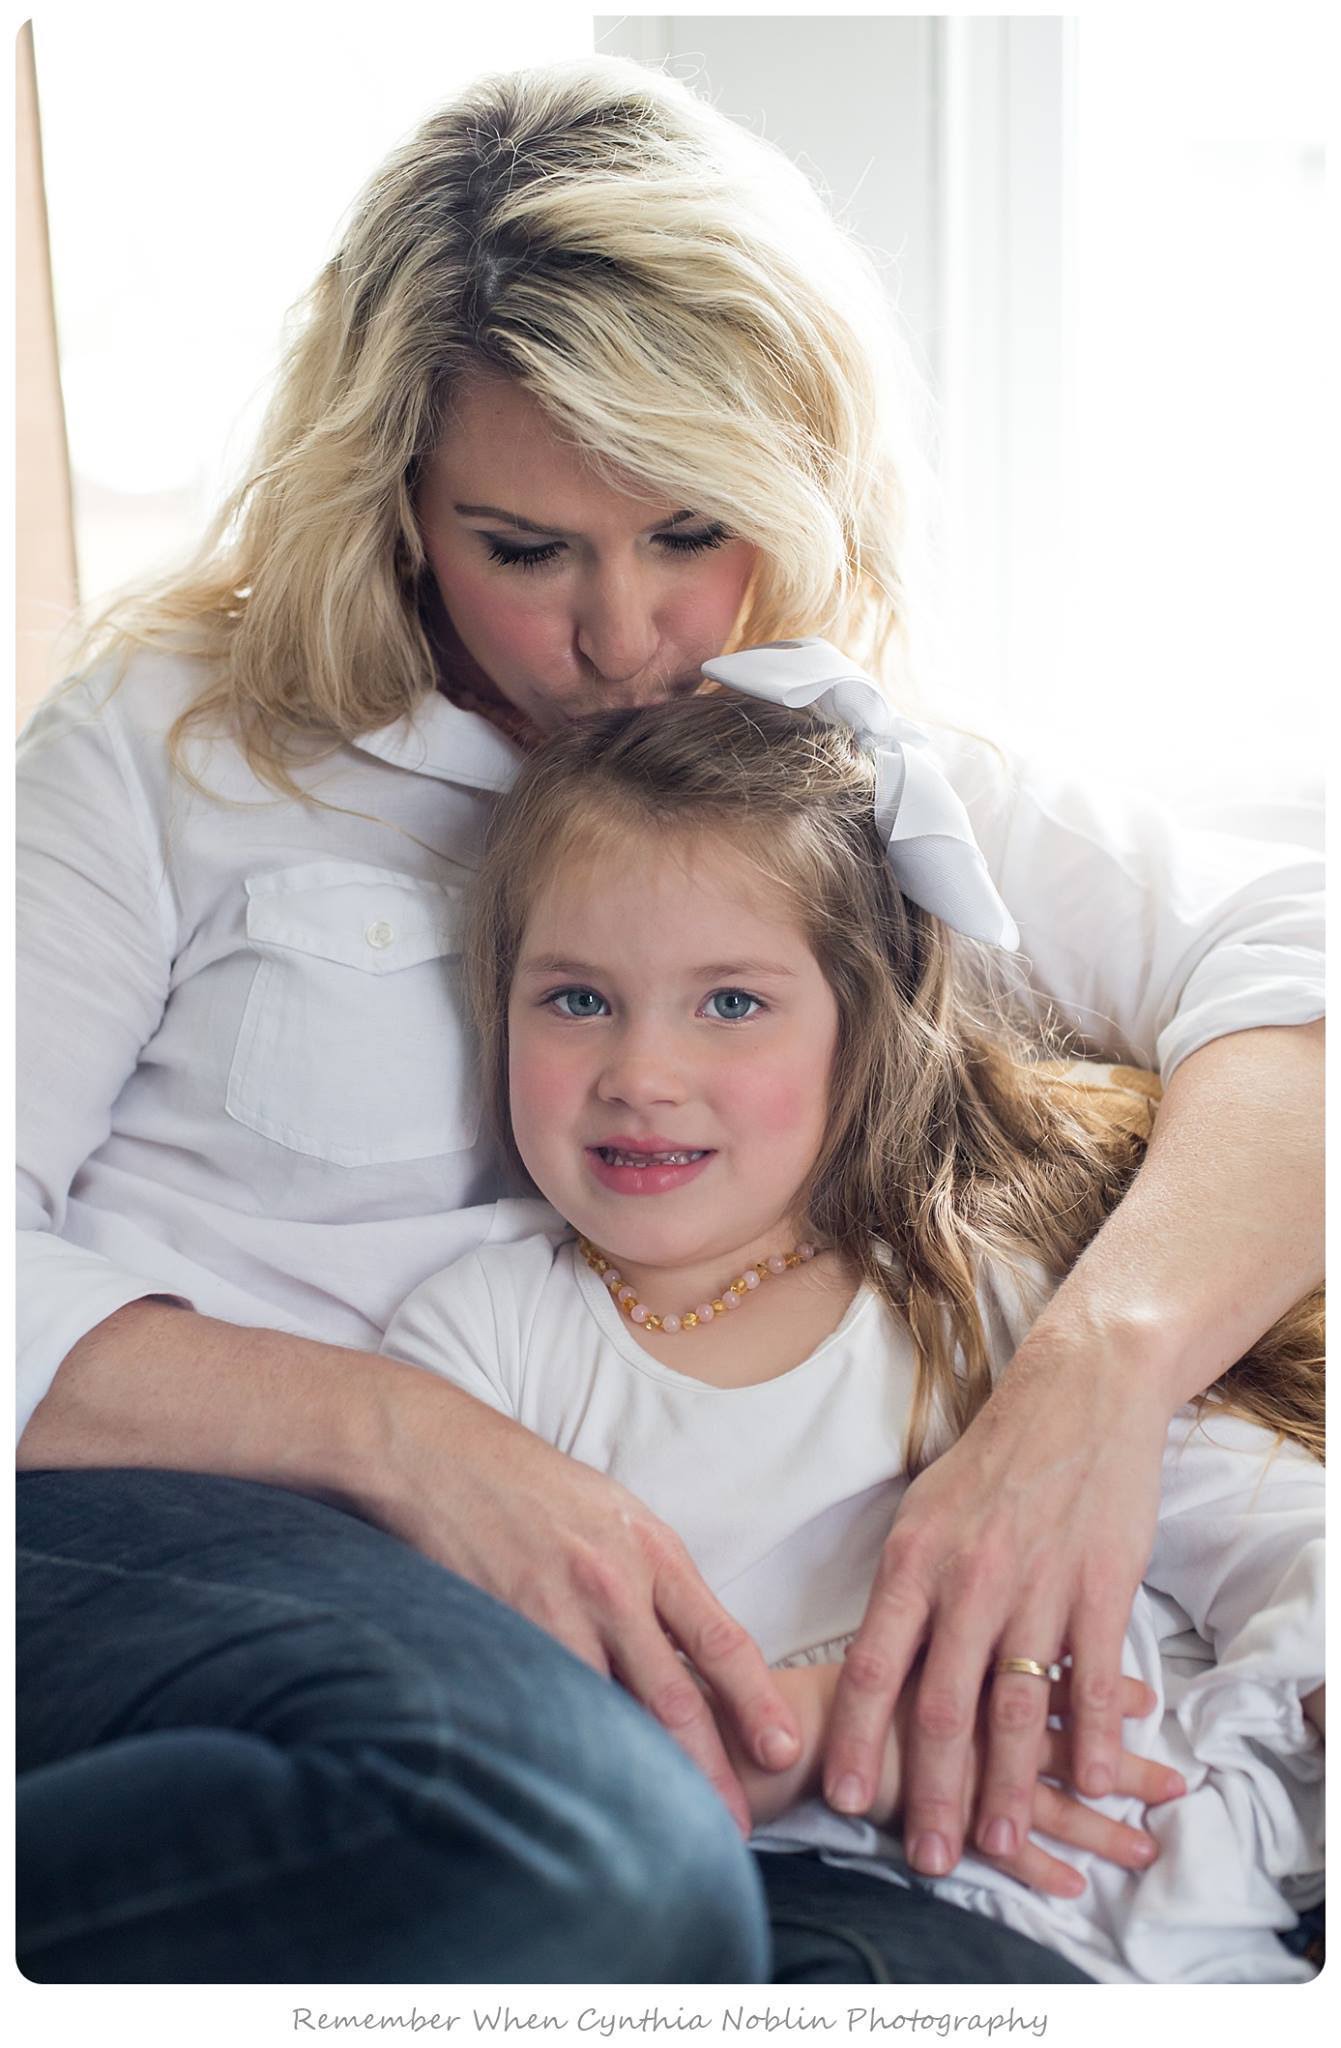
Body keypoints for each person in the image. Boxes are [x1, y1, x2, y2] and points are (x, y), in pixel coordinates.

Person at [17, 57, 1322, 1980]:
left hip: (575, 1650)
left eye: (690, 529)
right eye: (524, 549)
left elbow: (1296, 969)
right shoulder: (168, 742)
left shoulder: (845, 769)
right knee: (578, 1853)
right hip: (150, 1531)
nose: (625, 637)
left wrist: (1088, 1387)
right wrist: (400, 1439)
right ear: (391, 505)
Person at [381, 669, 1325, 1983]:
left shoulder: (978, 1288)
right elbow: (513, 1753)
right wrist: (839, 1728)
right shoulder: (481, 1346)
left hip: (1206, 1903)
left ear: (859, 1028)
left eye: (730, 1003)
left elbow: (1268, 1530)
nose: (640, 1076)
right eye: (576, 999)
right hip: (854, 1914)